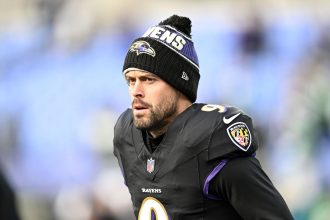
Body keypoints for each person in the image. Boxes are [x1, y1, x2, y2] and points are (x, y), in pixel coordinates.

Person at [113, 14, 293, 220]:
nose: (136, 91)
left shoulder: (212, 144)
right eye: (131, 80)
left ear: (178, 85)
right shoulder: (126, 137)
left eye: (148, 79)